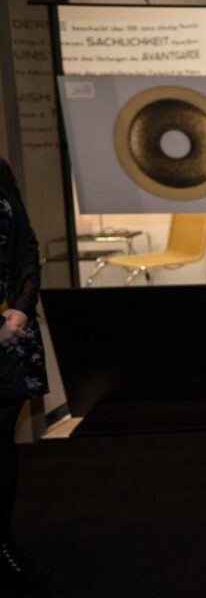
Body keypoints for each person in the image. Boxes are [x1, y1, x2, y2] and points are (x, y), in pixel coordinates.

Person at [0, 159, 50, 591]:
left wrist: (20, 308)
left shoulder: (1, 170)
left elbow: (27, 245)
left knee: (2, 447)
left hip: (10, 335)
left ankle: (3, 543)